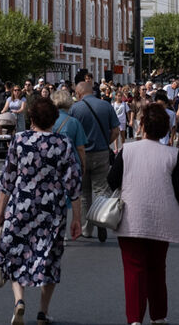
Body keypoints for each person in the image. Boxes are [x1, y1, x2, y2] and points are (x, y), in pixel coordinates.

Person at [107, 104, 179, 325]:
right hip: (162, 219)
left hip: (131, 217)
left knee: (133, 269)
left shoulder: (127, 150)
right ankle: (158, 316)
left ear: (142, 126)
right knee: (157, 268)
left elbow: (112, 181)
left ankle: (135, 319)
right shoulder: (171, 154)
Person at [0, 98, 82, 325]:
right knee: (50, 259)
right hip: (51, 210)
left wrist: (0, 212)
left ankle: (19, 301)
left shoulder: (19, 140)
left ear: (31, 118)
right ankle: (43, 312)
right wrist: (77, 219)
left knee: (16, 253)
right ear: (54, 118)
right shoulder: (63, 143)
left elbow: (7, 180)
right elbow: (73, 184)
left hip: (21, 207)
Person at [69, 80, 120, 242]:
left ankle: (87, 228)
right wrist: (105, 142)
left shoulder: (75, 108)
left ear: (78, 93)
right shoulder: (106, 105)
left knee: (84, 193)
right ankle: (101, 220)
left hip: (81, 154)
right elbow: (116, 130)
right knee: (101, 189)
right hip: (102, 152)